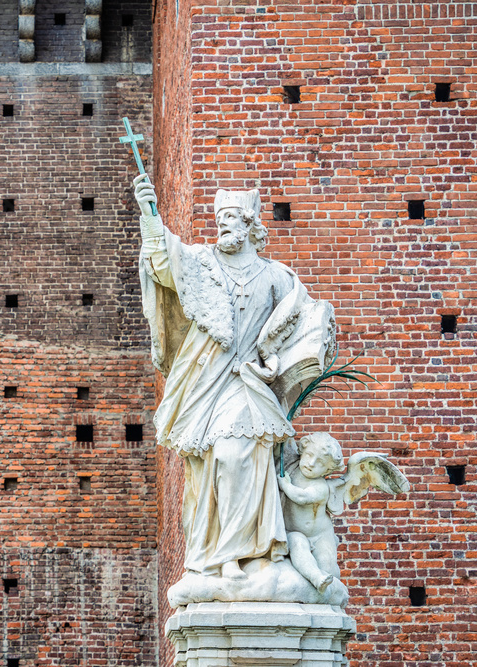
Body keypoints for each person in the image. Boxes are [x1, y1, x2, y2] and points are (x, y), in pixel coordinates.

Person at [135, 174, 317, 580]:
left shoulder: (277, 277)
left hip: (249, 381)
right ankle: (222, 553)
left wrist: (282, 365)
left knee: (243, 455)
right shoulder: (203, 263)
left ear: (252, 225)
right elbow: (165, 262)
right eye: (221, 219)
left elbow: (303, 325)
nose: (224, 225)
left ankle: (245, 552)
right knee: (214, 461)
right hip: (206, 379)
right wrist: (150, 212)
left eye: (233, 218)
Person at [276, 433, 343, 592]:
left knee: (329, 568)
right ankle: (316, 577)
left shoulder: (321, 487)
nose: (311, 463)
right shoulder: (291, 470)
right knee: (298, 544)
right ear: (303, 451)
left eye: (319, 462)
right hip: (294, 532)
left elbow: (301, 497)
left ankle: (330, 586)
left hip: (321, 536)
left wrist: (284, 485)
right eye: (309, 455)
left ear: (328, 469)